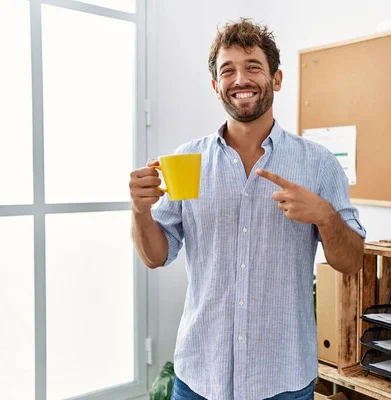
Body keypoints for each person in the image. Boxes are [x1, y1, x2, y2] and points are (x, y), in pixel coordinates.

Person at [129, 18, 366, 400]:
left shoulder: (319, 164)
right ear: (215, 86)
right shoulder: (185, 159)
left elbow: (352, 261)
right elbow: (156, 257)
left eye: (253, 66)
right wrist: (140, 211)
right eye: (228, 70)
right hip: (199, 375)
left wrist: (324, 215)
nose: (241, 79)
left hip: (282, 379)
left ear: (276, 78)